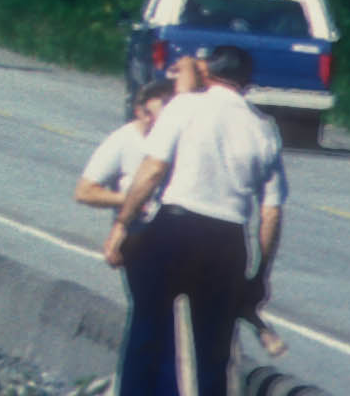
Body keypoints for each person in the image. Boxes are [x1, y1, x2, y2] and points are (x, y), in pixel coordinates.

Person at [108, 46, 292, 396]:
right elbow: (271, 213)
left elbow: (151, 171)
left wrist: (124, 224)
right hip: (227, 241)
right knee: (214, 348)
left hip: (175, 228)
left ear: (208, 74)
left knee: (148, 327)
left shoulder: (186, 106)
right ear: (246, 83)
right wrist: (260, 274)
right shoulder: (263, 129)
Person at [77, 72, 174, 396]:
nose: (160, 123)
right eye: (154, 115)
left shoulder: (180, 141)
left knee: (177, 318)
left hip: (181, 239)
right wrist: (130, 198)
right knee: (151, 313)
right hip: (140, 238)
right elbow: (85, 191)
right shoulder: (124, 140)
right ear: (140, 111)